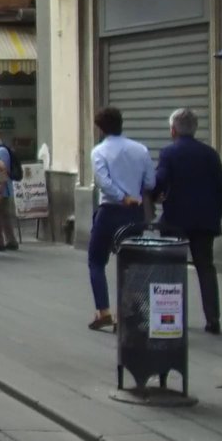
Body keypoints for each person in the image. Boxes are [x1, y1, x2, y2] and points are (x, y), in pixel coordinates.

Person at [152, 108, 222, 334]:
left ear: (173, 130)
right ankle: (213, 319)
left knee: (172, 268)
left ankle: (173, 315)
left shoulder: (169, 153)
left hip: (175, 219)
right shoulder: (210, 153)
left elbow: (160, 180)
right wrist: (215, 214)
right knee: (205, 268)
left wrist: (154, 196)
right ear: (195, 129)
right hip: (204, 221)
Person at [88, 107, 157, 332]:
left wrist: (121, 196)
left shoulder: (99, 151)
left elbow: (103, 181)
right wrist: (133, 193)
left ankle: (104, 311)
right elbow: (150, 181)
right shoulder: (140, 149)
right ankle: (126, 313)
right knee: (130, 262)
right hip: (134, 213)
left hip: (109, 210)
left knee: (96, 260)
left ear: (100, 128)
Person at [0, 127, 21, 251]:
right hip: (4, 190)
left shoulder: (0, 151)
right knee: (5, 216)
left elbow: (3, 172)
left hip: (1, 190)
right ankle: (11, 241)